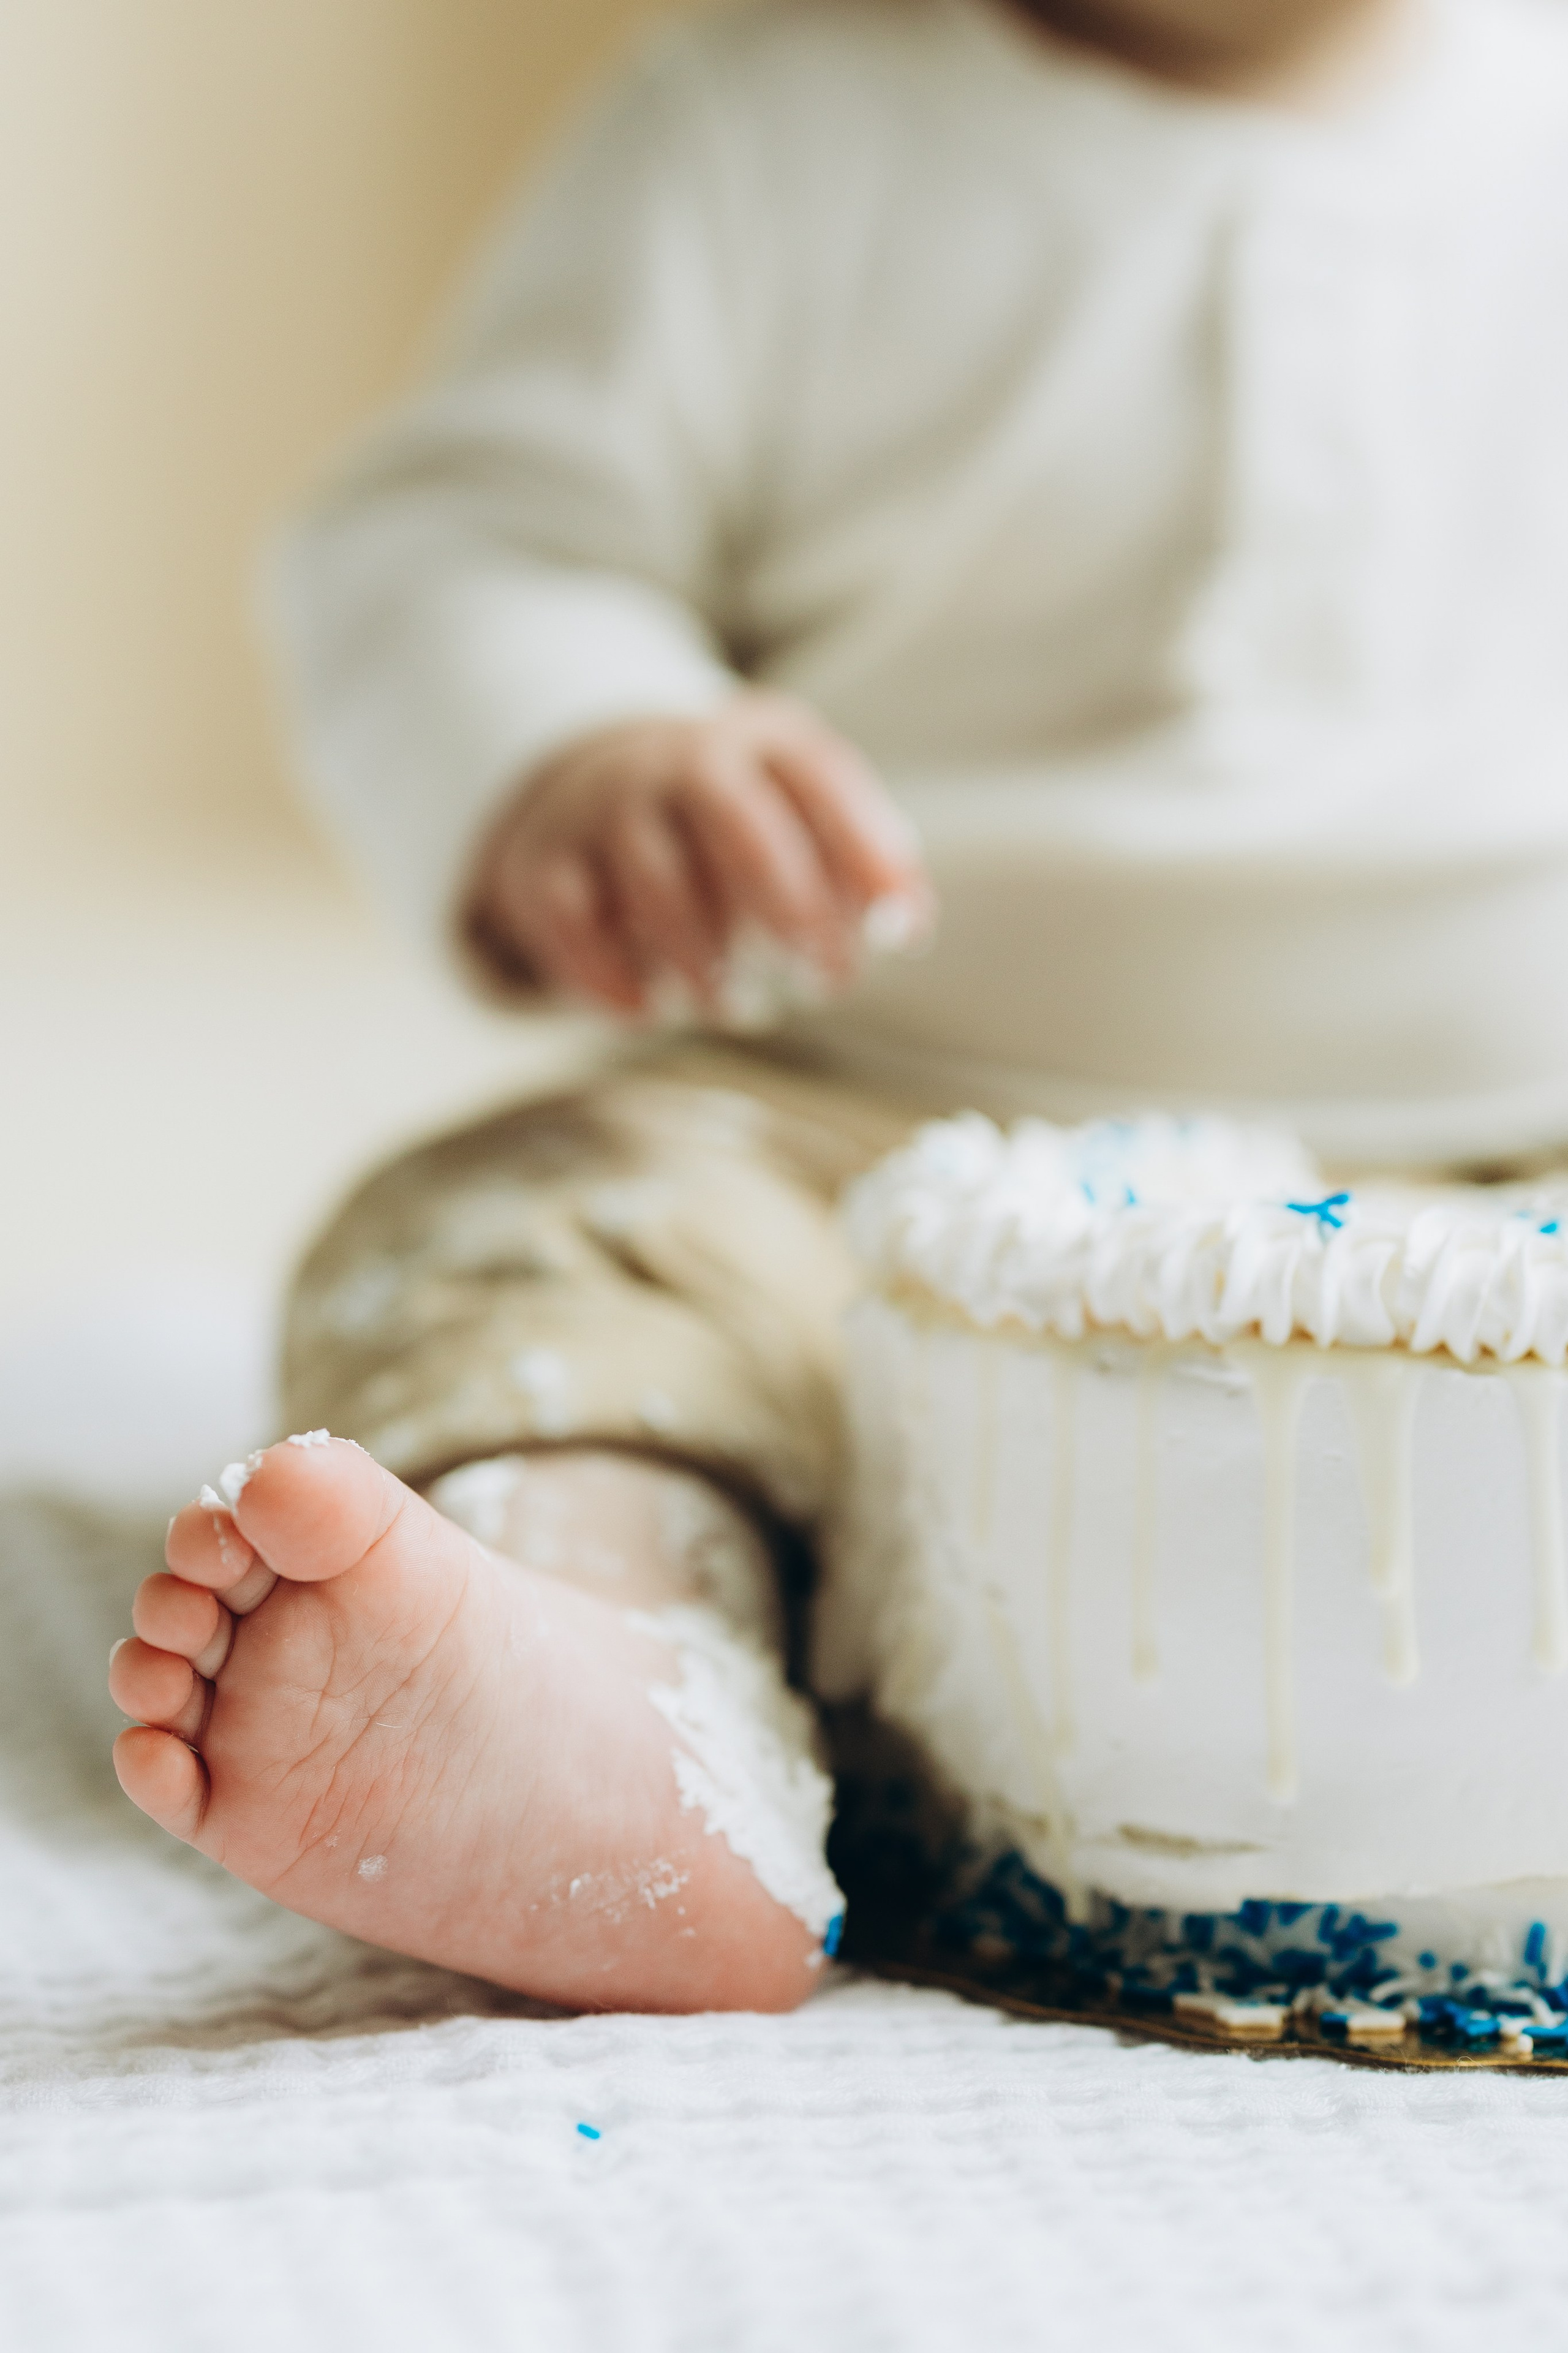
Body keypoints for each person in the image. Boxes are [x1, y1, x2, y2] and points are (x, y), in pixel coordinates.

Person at [107, 0, 1568, 2011]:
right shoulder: (756, 130)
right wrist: (584, 743)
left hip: (1527, 1132)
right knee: (536, 1231)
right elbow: (457, 543)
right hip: (853, 1120)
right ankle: (608, 1676)